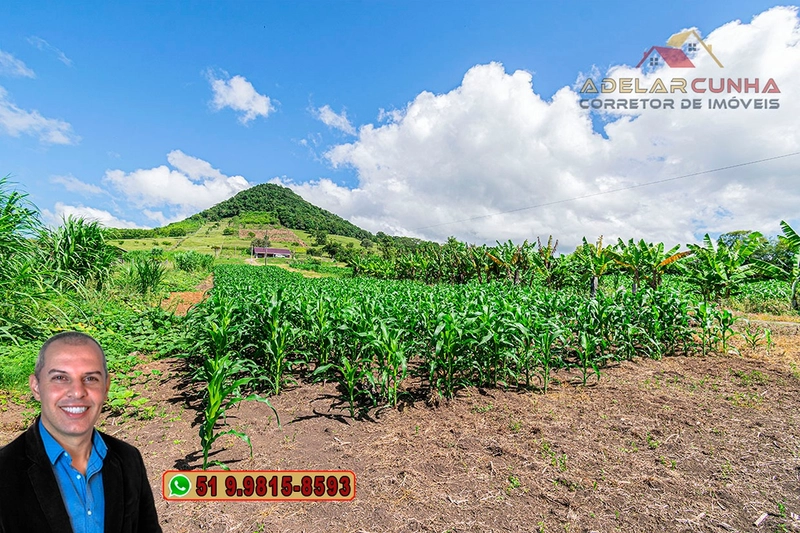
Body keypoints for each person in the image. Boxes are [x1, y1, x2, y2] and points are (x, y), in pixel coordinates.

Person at [0, 331, 162, 533]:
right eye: (60, 377)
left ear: (106, 387)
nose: (77, 392)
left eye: (91, 378)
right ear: (36, 386)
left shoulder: (129, 459)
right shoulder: (4, 471)